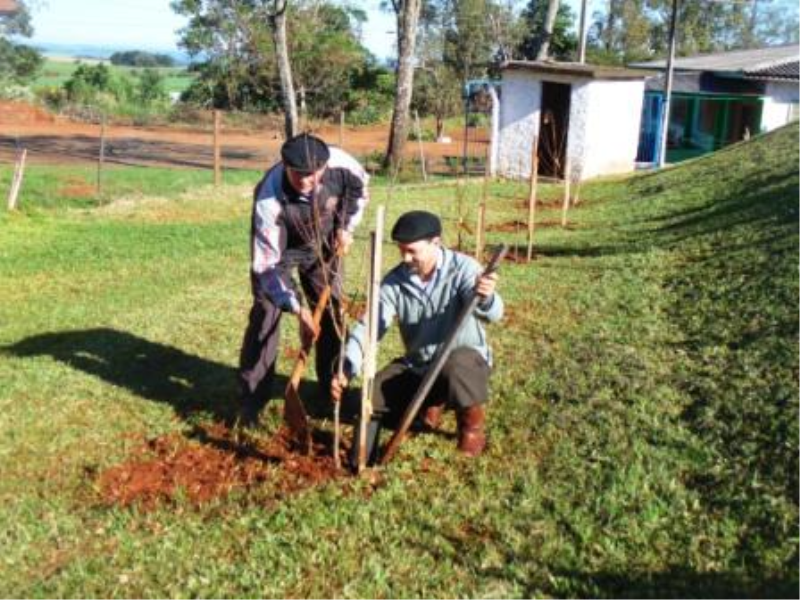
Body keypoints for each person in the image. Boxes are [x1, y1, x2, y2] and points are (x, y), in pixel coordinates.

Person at [331, 210, 503, 466]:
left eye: (412, 251)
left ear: (435, 243)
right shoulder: (394, 283)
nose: (406, 258)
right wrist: (347, 366)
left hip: (464, 361)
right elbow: (369, 327)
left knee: (457, 365)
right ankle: (363, 458)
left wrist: (487, 296)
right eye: (401, 251)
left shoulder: (464, 268)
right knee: (373, 393)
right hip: (420, 365)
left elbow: (494, 314)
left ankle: (471, 430)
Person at [238, 133, 369, 426]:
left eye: (313, 174)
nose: (307, 181)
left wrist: (345, 227)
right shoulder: (269, 201)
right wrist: (299, 310)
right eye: (299, 176)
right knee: (266, 317)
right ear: (285, 166)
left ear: (324, 166)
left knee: (333, 315)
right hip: (279, 255)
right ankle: (252, 401)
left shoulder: (342, 165)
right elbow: (268, 267)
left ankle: (333, 390)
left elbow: (358, 190)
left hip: (323, 245)